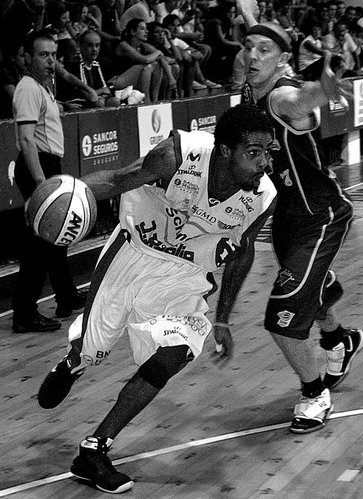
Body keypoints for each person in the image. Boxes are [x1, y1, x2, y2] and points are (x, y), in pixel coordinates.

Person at [36, 103, 277, 494]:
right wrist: (65, 194)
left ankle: (94, 448)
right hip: (133, 254)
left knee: (175, 352)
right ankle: (74, 361)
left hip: (185, 277)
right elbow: (116, 180)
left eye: (269, 152)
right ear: (225, 150)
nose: (264, 163)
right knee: (95, 349)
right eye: (254, 152)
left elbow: (244, 249)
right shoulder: (175, 156)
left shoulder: (263, 196)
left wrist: (223, 318)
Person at [237, 0, 363, 434]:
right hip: (287, 215)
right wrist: (250, 14)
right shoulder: (253, 82)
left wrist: (323, 89)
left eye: (263, 51)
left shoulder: (283, 98)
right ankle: (338, 339)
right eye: (247, 46)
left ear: (283, 59)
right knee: (310, 287)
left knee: (283, 314)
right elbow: (262, 40)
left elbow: (304, 97)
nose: (252, 55)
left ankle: (314, 394)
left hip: (321, 214)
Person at [11, 30, 86, 333]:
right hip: (37, 167)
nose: (51, 61)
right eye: (43, 54)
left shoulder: (42, 87)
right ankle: (24, 313)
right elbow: (27, 141)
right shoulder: (28, 88)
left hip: (47, 165)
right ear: (28, 57)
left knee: (56, 239)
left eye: (54, 55)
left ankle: (66, 296)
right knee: (39, 245)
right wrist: (43, 184)